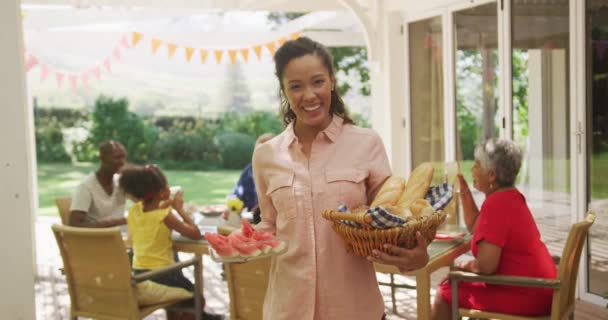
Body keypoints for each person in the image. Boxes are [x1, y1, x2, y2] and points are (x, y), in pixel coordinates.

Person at [250, 36, 429, 320]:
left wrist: (416, 256)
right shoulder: (266, 156)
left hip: (355, 310)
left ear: (332, 81)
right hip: (288, 309)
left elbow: (393, 221)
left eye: (317, 81)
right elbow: (270, 224)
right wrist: (245, 240)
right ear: (283, 90)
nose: (308, 95)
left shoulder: (366, 143)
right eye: (296, 86)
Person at [431, 139, 557, 319]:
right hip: (542, 288)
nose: (472, 169)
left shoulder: (497, 204)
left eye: (476, 165)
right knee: (455, 284)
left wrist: (461, 268)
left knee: (445, 293)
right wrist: (463, 188)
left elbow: (485, 267)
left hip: (527, 294)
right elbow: (476, 225)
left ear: (491, 175)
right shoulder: (510, 196)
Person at [119, 164, 224, 320]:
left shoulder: (135, 211)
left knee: (181, 302)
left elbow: (150, 213)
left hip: (140, 272)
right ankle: (200, 316)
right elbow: (195, 234)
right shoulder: (164, 215)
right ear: (162, 192)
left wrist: (166, 204)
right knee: (197, 298)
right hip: (163, 275)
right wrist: (179, 209)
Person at [69, 140, 127, 227]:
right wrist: (113, 222)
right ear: (102, 158)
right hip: (99, 238)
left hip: (121, 237)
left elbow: (144, 201)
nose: (122, 162)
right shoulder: (86, 186)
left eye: (123, 157)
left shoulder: (121, 182)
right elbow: (75, 223)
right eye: (117, 158)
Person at [223, 133, 275, 224]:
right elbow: (236, 195)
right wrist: (231, 208)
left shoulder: (284, 173)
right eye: (259, 150)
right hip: (252, 222)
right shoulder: (249, 170)